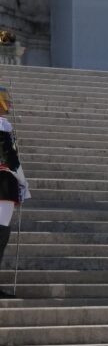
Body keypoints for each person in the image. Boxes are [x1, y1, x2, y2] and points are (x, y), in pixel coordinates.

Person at [0, 85, 29, 298]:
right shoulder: (2, 127)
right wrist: (23, 182)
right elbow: (10, 160)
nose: (9, 103)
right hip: (2, 187)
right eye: (5, 100)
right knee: (1, 236)